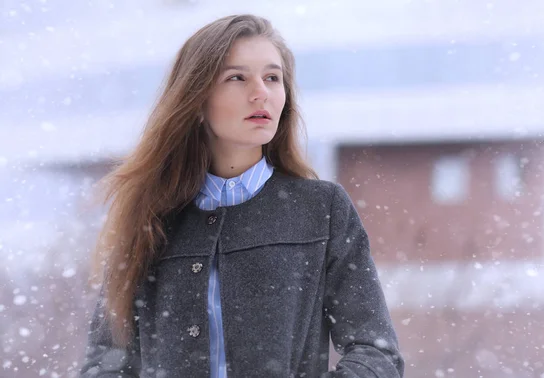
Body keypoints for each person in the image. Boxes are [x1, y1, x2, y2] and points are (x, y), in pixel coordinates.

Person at [79, 14, 404, 378]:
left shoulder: (321, 210)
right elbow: (106, 363)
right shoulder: (150, 218)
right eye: (237, 77)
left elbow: (375, 353)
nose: (260, 92)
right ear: (197, 99)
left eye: (272, 78)